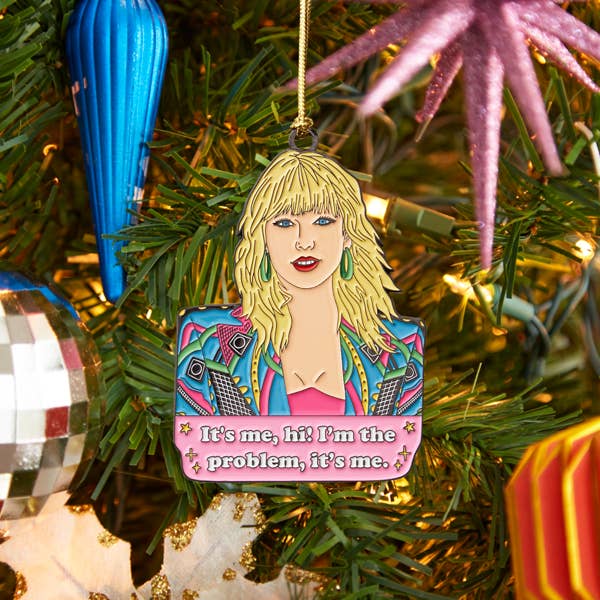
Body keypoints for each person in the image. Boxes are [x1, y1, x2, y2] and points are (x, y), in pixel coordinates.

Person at [175, 149, 424, 416]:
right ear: (262, 238)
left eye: (323, 221)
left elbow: (400, 441)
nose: (304, 241)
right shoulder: (209, 342)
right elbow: (195, 439)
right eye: (284, 223)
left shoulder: (398, 350)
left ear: (347, 234)